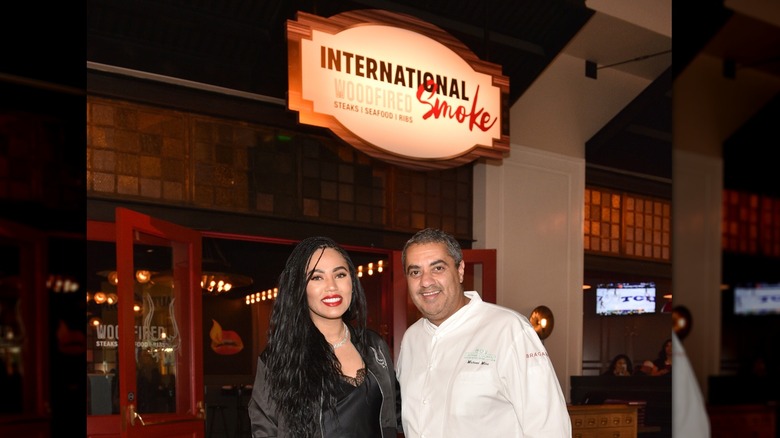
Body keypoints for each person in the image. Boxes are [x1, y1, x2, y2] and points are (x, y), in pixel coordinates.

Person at [396, 228, 571, 437]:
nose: (425, 281)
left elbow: (549, 428)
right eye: (415, 272)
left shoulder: (509, 330)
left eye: (438, 268)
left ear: (460, 270)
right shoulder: (411, 339)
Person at [248, 236, 403, 438]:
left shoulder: (374, 346)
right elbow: (265, 431)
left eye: (340, 274)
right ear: (299, 288)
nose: (332, 286)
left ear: (352, 282)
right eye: (316, 277)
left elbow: (396, 417)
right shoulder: (278, 358)